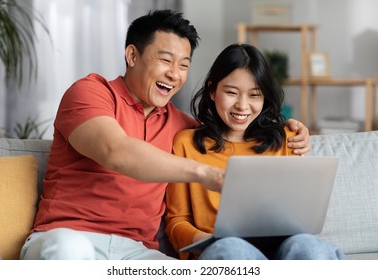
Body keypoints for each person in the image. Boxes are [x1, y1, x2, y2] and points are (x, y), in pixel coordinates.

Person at [20, 10, 310, 260]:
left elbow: (234, 125)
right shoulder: (91, 92)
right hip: (66, 237)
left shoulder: (183, 127)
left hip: (136, 252)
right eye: (165, 60)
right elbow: (115, 150)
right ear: (132, 55)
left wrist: (286, 126)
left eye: (183, 65)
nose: (175, 74)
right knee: (67, 250)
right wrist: (207, 174)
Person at [164, 43, 346, 260]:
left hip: (283, 249)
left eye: (254, 95)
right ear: (212, 90)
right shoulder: (187, 144)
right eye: (231, 92)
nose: (243, 106)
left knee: (309, 247)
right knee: (232, 249)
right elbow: (177, 220)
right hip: (225, 251)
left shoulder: (287, 139)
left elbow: (301, 216)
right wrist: (205, 240)